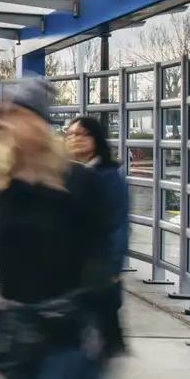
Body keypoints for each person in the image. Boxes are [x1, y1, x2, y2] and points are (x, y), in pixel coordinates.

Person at [0, 78, 119, 379]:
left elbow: (104, 253)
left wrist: (98, 313)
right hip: (18, 335)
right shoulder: (2, 185)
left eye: (16, 114)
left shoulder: (81, 183)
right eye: (2, 116)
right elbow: (0, 248)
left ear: (39, 122)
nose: (6, 124)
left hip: (74, 333)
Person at [66, 115, 130, 356]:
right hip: (71, 265)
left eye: (83, 134)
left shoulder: (108, 175)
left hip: (98, 264)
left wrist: (113, 268)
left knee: (99, 329)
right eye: (71, 134)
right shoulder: (67, 172)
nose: (76, 139)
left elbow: (118, 223)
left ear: (96, 139)